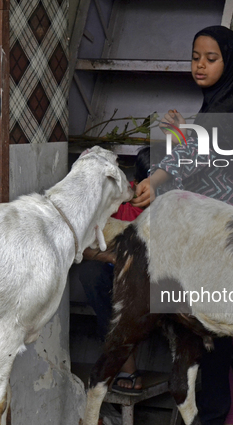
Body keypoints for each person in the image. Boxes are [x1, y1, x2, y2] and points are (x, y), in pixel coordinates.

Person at [131, 26, 233, 425]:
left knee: (232, 331)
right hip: (216, 231)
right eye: (196, 57)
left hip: (228, 234)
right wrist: (178, 134)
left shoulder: (225, 113)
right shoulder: (219, 108)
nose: (201, 65)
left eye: (211, 58)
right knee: (223, 330)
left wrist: (154, 180)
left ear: (229, 62)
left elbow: (191, 160)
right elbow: (201, 158)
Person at [79, 146, 150, 395]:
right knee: (92, 276)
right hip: (112, 271)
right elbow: (83, 244)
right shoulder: (118, 199)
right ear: (137, 182)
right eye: (147, 185)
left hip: (148, 280)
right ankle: (127, 366)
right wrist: (112, 257)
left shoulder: (173, 206)